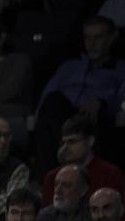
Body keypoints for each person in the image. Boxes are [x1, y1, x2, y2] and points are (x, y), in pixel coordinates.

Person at [34, 16, 125, 176]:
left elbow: (122, 101)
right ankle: (57, 171)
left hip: (96, 119)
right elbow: (46, 98)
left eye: (98, 37)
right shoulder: (69, 67)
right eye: (87, 38)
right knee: (53, 102)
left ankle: (68, 166)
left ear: (111, 38)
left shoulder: (120, 69)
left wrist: (102, 103)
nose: (91, 44)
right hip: (63, 116)